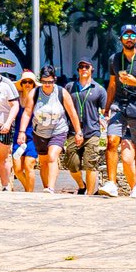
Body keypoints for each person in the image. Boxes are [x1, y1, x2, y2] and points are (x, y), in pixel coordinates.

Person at [102, 24, 136, 198]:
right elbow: (112, 84)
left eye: (132, 35)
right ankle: (112, 183)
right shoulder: (114, 59)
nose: (129, 38)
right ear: (121, 39)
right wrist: (106, 108)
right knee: (112, 141)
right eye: (125, 36)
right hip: (119, 105)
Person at [30, 66, 82, 194]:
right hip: (40, 132)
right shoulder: (35, 93)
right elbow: (27, 113)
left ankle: (51, 187)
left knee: (52, 156)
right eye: (44, 82)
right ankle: (46, 186)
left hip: (58, 130)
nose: (47, 85)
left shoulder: (61, 92)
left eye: (50, 81)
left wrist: (78, 132)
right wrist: (21, 132)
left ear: (55, 79)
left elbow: (72, 113)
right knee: (43, 161)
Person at [63, 60, 107, 196]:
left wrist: (103, 120)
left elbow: (105, 110)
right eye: (81, 67)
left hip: (92, 131)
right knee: (72, 164)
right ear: (78, 70)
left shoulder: (98, 89)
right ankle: (82, 185)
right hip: (73, 131)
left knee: (90, 164)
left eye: (86, 67)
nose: (83, 69)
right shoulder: (70, 87)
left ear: (91, 69)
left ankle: (89, 194)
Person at [9, 70, 39, 192]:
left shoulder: (38, 100)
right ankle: (28, 188)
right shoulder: (16, 99)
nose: (27, 84)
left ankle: (29, 194)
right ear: (21, 84)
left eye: (30, 82)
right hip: (18, 136)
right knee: (17, 169)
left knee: (29, 165)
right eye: (24, 82)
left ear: (33, 84)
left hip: (33, 136)